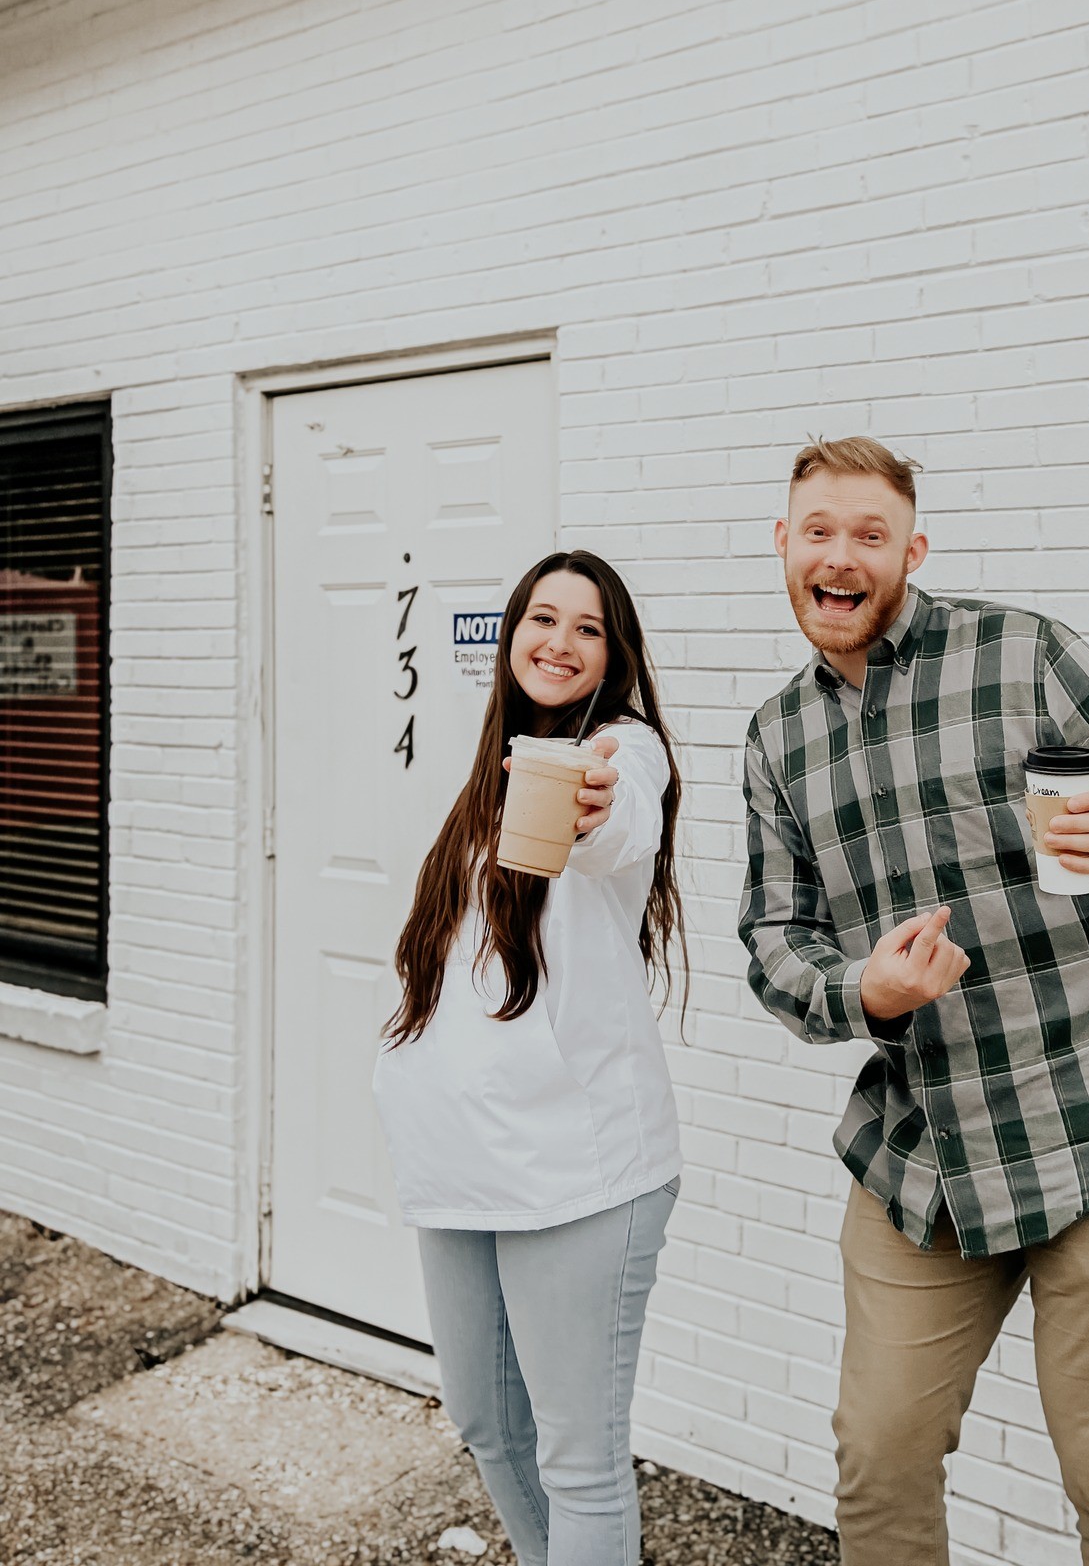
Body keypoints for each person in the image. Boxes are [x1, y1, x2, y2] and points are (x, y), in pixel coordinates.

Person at [739, 437, 1089, 1566]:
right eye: (818, 528)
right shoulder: (779, 736)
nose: (841, 553)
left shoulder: (1021, 655)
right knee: (879, 1458)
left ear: (910, 551)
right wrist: (860, 989)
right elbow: (776, 943)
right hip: (925, 1146)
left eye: (870, 534)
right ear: (782, 543)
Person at [374, 549, 686, 1566]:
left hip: (578, 1173)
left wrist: (591, 799)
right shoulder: (491, 767)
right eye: (541, 618)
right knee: (486, 1421)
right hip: (461, 1163)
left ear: (614, 653)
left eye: (586, 627)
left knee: (579, 1457)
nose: (557, 640)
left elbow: (615, 814)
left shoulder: (621, 749)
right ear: (512, 635)